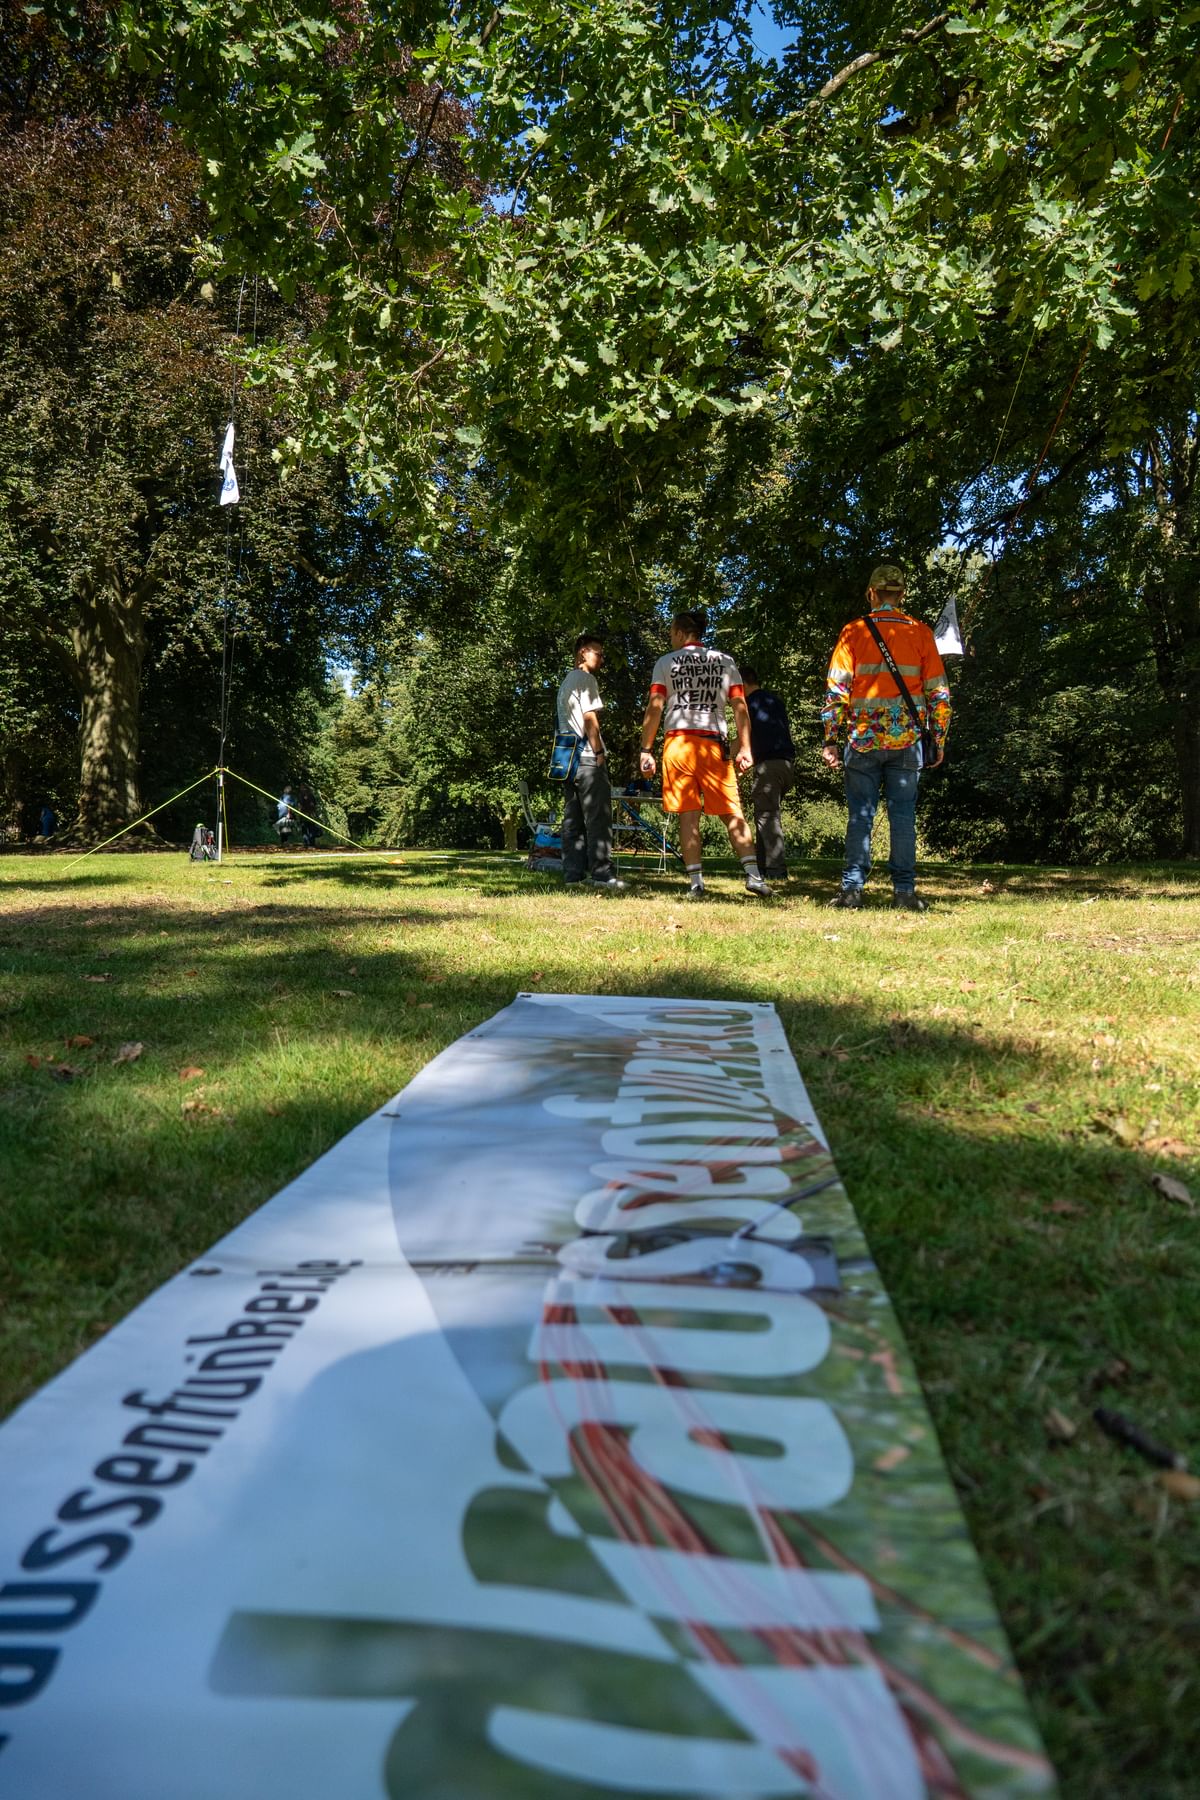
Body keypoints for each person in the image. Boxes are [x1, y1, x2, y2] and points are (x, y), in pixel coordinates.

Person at [821, 562, 951, 911]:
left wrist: (831, 738)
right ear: (902, 594)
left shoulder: (853, 632)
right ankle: (904, 892)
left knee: (860, 816)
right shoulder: (920, 632)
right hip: (907, 740)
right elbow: (939, 694)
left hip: (862, 739)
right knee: (903, 817)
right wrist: (938, 739)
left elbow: (836, 691)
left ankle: (852, 891)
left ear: (872, 593)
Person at [638, 609, 769, 900]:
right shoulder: (725, 661)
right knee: (732, 811)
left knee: (688, 814)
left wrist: (646, 749)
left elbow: (655, 707)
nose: (670, 639)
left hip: (678, 744)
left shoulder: (666, 663)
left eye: (671, 633)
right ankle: (754, 877)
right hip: (713, 746)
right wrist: (745, 747)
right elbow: (740, 707)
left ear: (680, 633)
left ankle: (696, 883)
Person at [556, 633, 626, 892]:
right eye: (599, 653)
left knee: (572, 819)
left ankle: (573, 876)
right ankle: (602, 874)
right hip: (587, 757)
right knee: (598, 817)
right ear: (583, 652)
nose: (602, 659)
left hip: (567, 759)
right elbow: (589, 718)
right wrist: (599, 752)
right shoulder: (586, 679)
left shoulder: (566, 681)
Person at [740, 665, 795, 881]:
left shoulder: (748, 704)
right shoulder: (775, 702)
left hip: (768, 766)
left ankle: (776, 870)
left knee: (767, 816)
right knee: (764, 815)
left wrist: (726, 757)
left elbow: (744, 736)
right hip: (787, 765)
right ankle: (762, 866)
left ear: (742, 684)